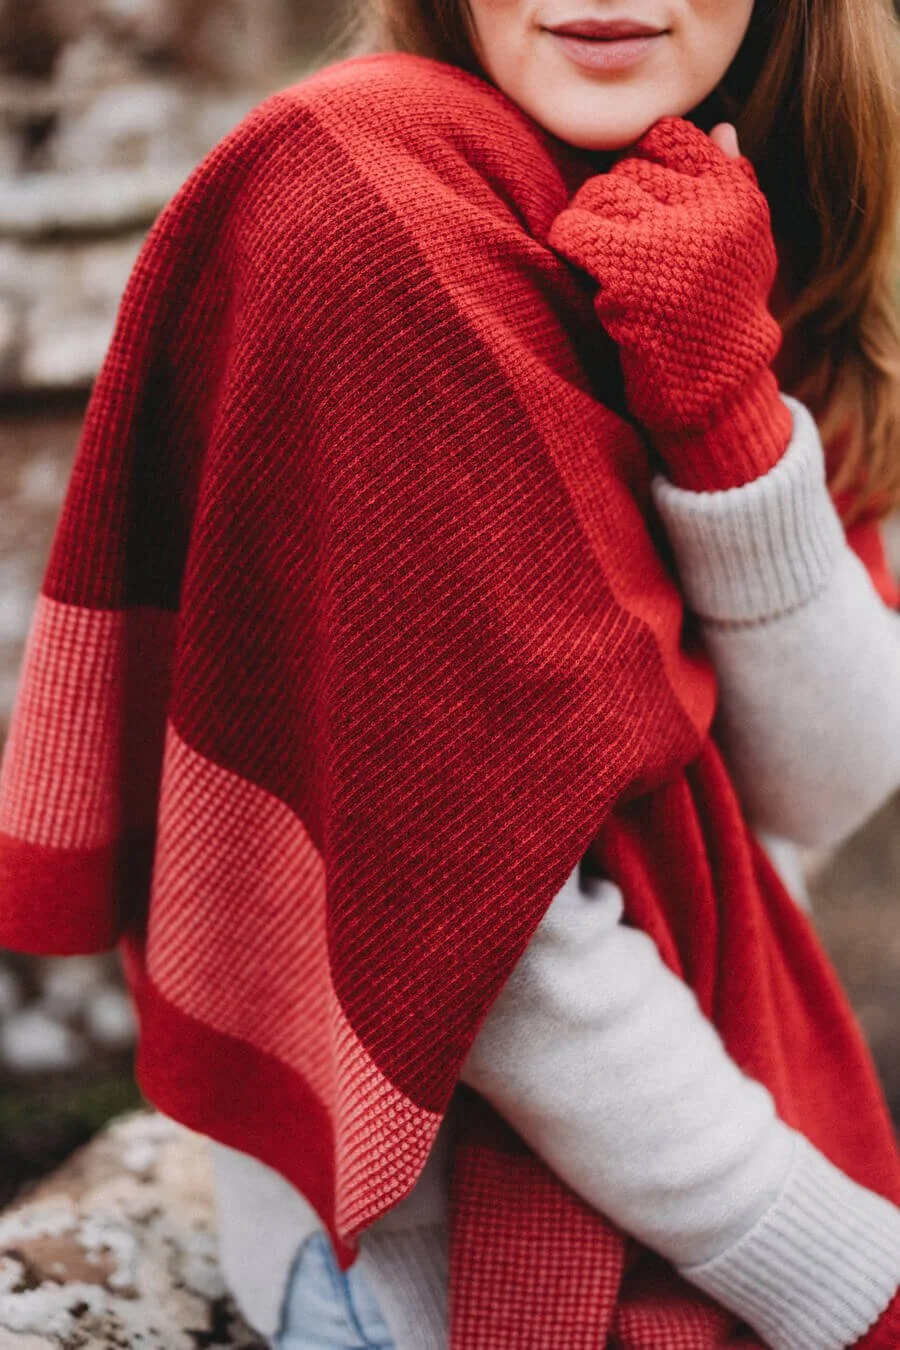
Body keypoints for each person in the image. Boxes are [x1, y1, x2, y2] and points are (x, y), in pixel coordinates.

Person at [1, 0, 899, 1347]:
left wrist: (727, 412)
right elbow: (482, 933)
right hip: (435, 1273)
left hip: (695, 1130)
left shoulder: (746, 193)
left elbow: (825, 783)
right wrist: (838, 1265)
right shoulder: (360, 204)